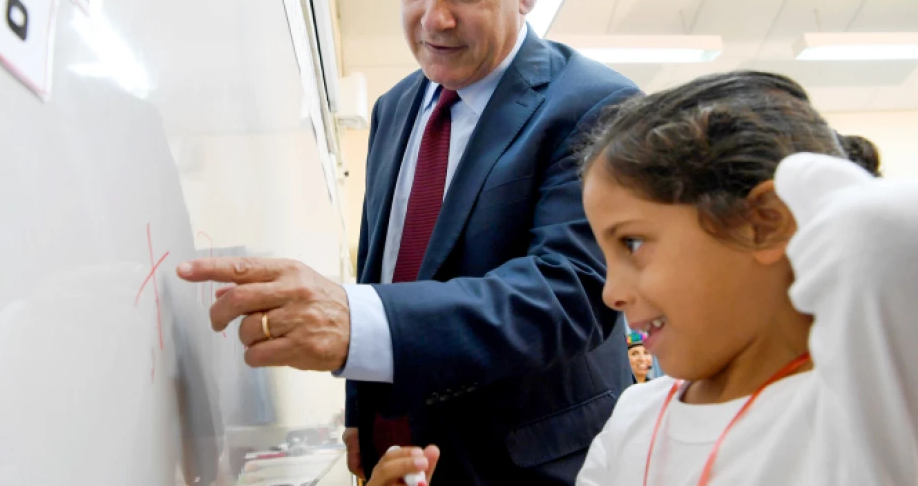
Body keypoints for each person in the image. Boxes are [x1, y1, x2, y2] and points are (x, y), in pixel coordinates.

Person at [176, 0, 640, 483]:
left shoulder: (596, 105)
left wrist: (353, 323)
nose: (434, 17)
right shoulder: (395, 109)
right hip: (397, 457)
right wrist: (363, 413)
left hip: (524, 468)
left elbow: (570, 295)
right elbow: (383, 271)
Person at [367, 70, 918, 485]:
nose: (610, 291)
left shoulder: (863, 408)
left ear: (764, 221)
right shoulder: (635, 417)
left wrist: (815, 195)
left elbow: (887, 233)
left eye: (632, 243)